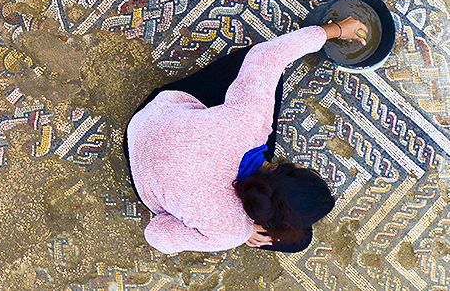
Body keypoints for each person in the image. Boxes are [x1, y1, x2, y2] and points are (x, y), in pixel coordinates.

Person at [124, 17, 368, 254]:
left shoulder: (249, 122)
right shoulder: (230, 232)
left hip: (149, 121)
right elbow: (156, 233)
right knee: (301, 240)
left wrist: (334, 30)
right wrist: (240, 231)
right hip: (144, 180)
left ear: (285, 168)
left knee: (264, 71)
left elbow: (267, 56)